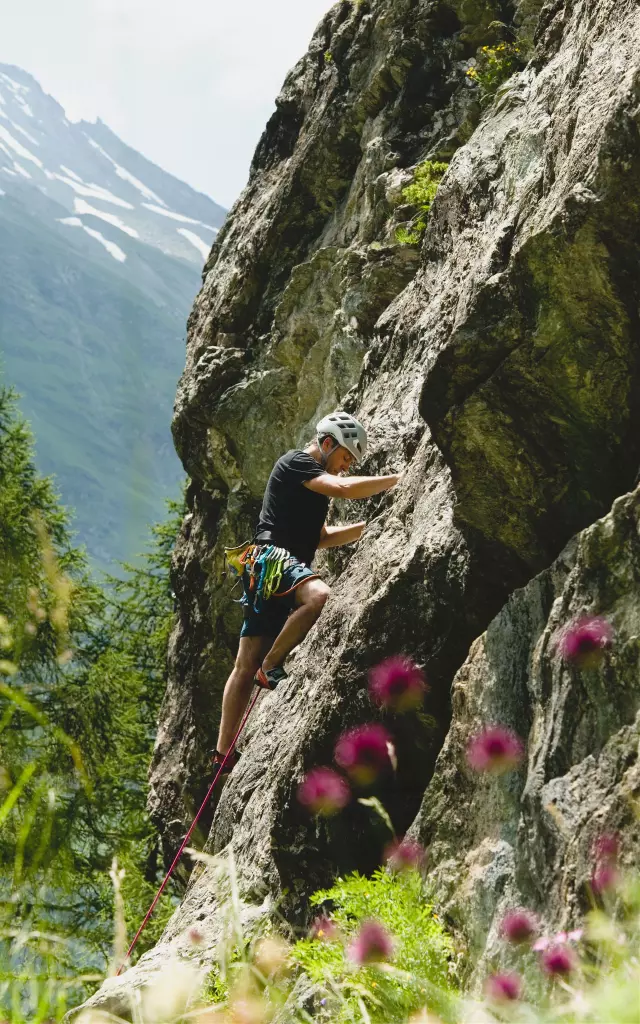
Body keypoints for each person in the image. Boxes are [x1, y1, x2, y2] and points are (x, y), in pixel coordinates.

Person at [212, 411, 402, 774]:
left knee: (243, 664)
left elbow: (321, 537)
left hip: (270, 568)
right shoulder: (297, 463)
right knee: (318, 597)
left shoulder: (312, 488)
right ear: (328, 443)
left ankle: (222, 754)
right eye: (346, 457)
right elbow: (344, 489)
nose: (346, 466)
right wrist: (397, 480)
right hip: (275, 560)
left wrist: (368, 527)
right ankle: (270, 667)